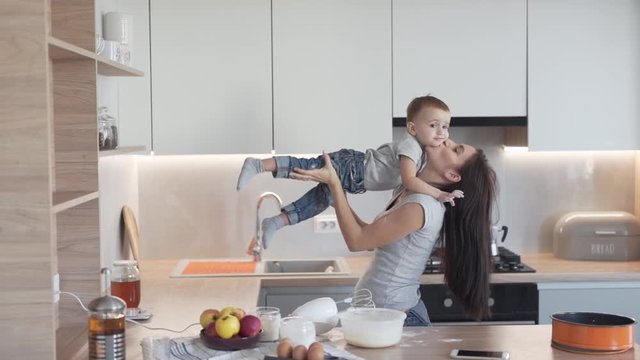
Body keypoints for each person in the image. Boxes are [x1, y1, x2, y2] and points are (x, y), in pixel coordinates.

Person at [291, 139, 498, 325]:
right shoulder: (408, 191)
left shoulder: (421, 206)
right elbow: (370, 237)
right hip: (383, 315)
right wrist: (337, 198)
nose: (446, 140)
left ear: (452, 175)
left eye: (455, 149)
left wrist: (335, 185)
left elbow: (357, 241)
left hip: (398, 318)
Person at [236, 95, 462, 249]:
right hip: (351, 166)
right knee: (306, 167)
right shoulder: (411, 146)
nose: (442, 132)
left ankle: (276, 222)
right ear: (413, 128)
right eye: (434, 125)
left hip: (354, 181)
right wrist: (439, 194)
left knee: (319, 201)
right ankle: (257, 165)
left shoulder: (421, 153)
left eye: (445, 126)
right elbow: (409, 180)